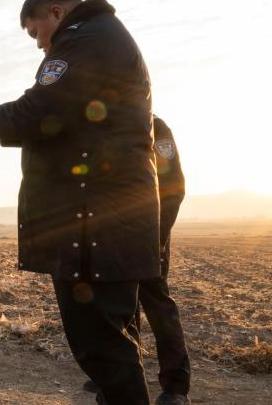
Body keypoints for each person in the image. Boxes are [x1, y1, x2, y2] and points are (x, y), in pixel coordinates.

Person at [0, 0, 182, 405]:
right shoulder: (102, 38)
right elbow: (60, 118)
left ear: (57, 13)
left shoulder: (81, 42)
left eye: (35, 32)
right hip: (105, 220)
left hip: (95, 224)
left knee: (102, 345)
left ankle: (174, 386)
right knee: (111, 343)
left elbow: (41, 109)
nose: (38, 44)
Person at [82, 115, 191, 403]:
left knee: (158, 305)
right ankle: (121, 381)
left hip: (149, 235)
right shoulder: (101, 123)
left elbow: (174, 185)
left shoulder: (155, 126)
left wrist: (158, 236)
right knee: (119, 308)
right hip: (110, 238)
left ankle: (175, 388)